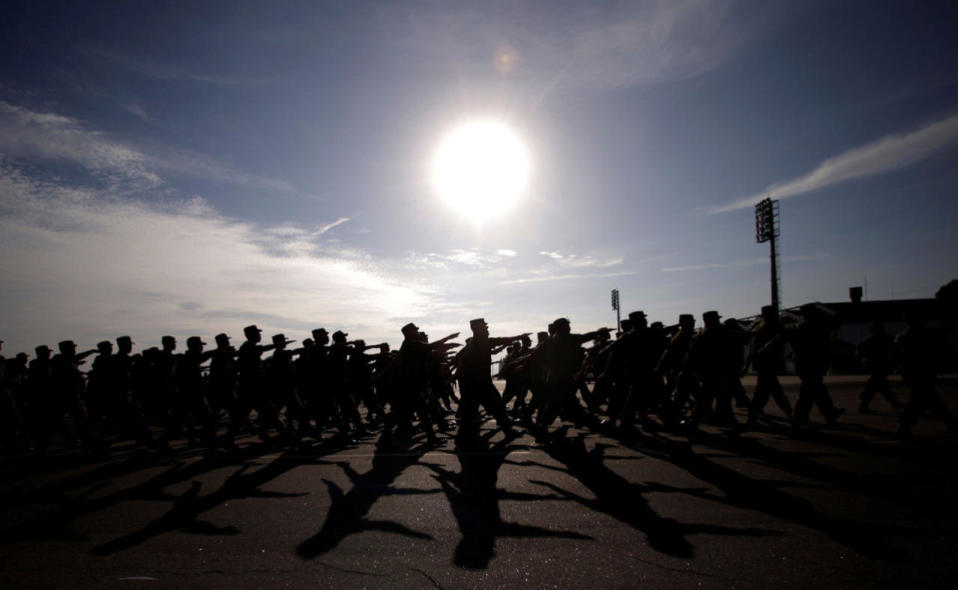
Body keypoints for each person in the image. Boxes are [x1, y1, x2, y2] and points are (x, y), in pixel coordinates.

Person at [455, 318, 523, 446]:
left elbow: (459, 359)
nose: (487, 329)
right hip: (479, 384)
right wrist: (518, 336)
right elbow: (500, 340)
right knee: (488, 409)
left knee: (492, 408)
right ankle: (462, 439)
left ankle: (462, 438)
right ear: (477, 329)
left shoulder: (475, 342)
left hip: (479, 384)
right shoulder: (480, 341)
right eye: (484, 327)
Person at [895, 312, 956, 437]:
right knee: (923, 400)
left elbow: (897, 356)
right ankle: (905, 427)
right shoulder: (929, 335)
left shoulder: (903, 337)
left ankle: (905, 426)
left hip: (913, 373)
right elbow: (945, 348)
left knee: (925, 399)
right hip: (923, 372)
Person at [790, 304, 843, 429]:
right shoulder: (818, 326)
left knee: (813, 390)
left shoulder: (801, 328)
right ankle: (801, 418)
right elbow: (836, 323)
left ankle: (804, 417)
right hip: (813, 363)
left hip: (804, 364)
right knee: (813, 390)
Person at [746, 306, 793, 426]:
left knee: (766, 390)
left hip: (764, 363)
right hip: (768, 362)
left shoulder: (761, 326)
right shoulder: (772, 326)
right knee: (768, 391)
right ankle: (791, 414)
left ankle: (753, 416)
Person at [856, 322, 901, 414]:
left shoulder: (868, 340)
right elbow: (895, 350)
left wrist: (863, 362)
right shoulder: (885, 339)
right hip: (880, 366)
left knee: (876, 385)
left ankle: (864, 405)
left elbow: (859, 354)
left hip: (876, 366)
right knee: (879, 385)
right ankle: (894, 403)